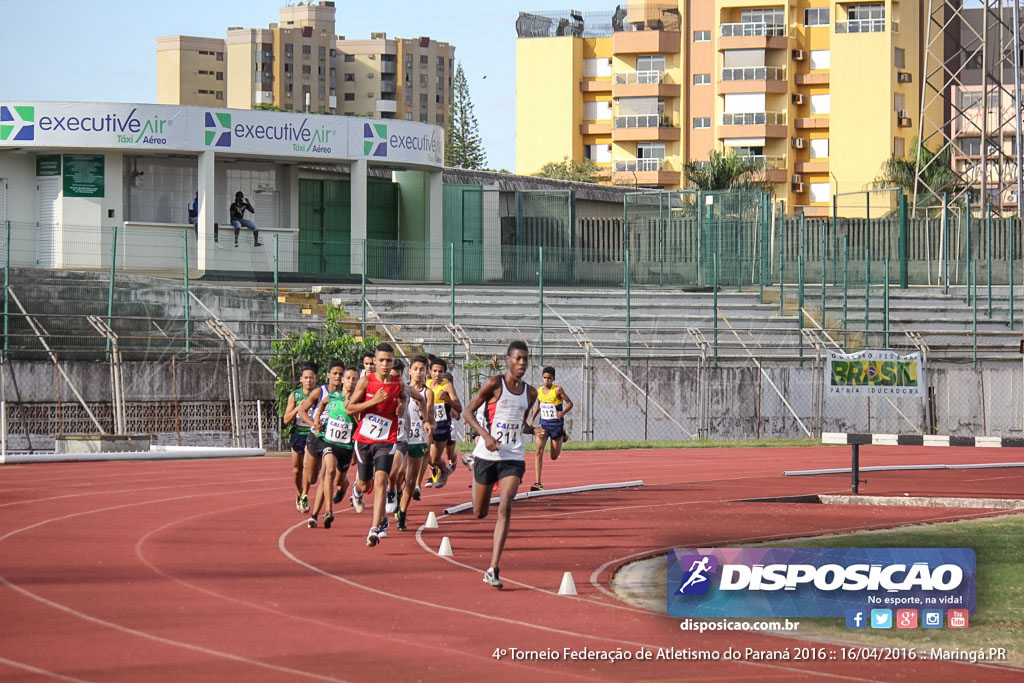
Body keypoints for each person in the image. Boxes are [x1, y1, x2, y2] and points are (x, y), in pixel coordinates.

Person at [463, 341, 538, 589]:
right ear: (508, 360)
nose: (522, 363)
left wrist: (533, 430)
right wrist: (485, 436)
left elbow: (518, 422)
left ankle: (493, 568)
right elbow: (468, 412)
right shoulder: (494, 384)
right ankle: (473, 465)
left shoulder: (531, 393)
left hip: (513, 457)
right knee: (480, 512)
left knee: (505, 504)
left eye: (525, 359)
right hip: (487, 454)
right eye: (517, 359)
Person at [346, 342, 406, 546]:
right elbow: (350, 409)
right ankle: (357, 489)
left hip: (386, 439)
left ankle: (375, 527)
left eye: (389, 360)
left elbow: (403, 400)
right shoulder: (365, 382)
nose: (385, 364)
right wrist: (372, 402)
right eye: (381, 360)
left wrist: (401, 408)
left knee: (381, 481)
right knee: (366, 484)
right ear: (375, 361)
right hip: (363, 440)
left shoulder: (398, 384)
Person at [305, 363, 357, 529]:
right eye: (348, 378)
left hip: (347, 447)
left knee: (338, 478)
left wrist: (353, 411)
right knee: (327, 471)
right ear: (343, 380)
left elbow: (361, 423)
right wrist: (317, 418)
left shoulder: (358, 400)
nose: (350, 382)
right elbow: (321, 404)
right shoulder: (333, 396)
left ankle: (343, 486)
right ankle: (327, 511)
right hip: (330, 442)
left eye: (354, 379)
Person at [396, 355, 434, 531]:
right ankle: (395, 496)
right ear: (409, 371)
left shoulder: (427, 393)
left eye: (422, 369)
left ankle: (402, 513)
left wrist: (425, 419)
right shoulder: (401, 389)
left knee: (411, 481)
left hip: (417, 439)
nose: (418, 373)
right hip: (401, 437)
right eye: (415, 369)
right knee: (399, 472)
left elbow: (431, 416)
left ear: (427, 372)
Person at [526, 366, 574, 491]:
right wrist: (532, 418)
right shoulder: (539, 391)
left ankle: (563, 434)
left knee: (554, 456)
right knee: (538, 451)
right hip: (544, 425)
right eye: (544, 378)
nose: (546, 380)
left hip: (556, 425)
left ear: (553, 379)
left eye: (549, 378)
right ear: (542, 378)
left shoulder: (557, 390)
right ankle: (538, 483)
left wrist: (563, 413)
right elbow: (539, 406)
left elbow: (570, 403)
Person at [282, 363, 318, 512]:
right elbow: (285, 420)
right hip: (297, 434)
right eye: (306, 378)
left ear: (316, 379)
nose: (308, 381)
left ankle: (304, 495)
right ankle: (298, 492)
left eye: (311, 378)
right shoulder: (295, 395)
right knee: (297, 469)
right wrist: (299, 407)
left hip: (311, 434)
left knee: (306, 467)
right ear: (301, 379)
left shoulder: (319, 394)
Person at [425, 357, 460, 490]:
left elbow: (459, 407)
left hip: (442, 426)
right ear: (429, 371)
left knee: (434, 460)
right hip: (428, 425)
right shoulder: (426, 384)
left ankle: (444, 470)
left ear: (444, 372)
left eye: (440, 372)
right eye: (434, 371)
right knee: (424, 453)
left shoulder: (447, 386)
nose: (437, 374)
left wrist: (446, 398)